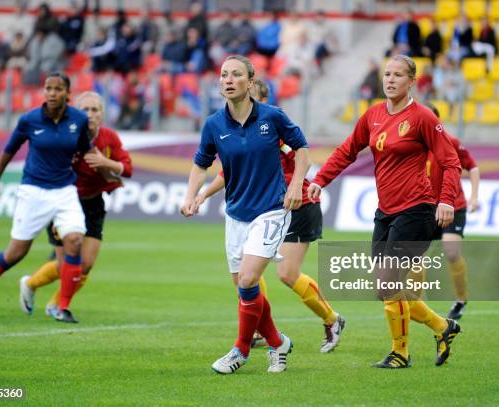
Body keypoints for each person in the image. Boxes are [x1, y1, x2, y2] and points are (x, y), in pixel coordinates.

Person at [308, 55, 462, 369]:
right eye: (387, 74)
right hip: (386, 211)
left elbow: (451, 162)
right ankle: (441, 326)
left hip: (417, 209)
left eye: (397, 75)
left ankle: (400, 353)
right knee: (384, 288)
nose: (390, 80)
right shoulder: (373, 114)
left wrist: (446, 200)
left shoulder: (422, 118)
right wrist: (320, 179)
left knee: (389, 282)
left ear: (412, 81)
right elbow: (348, 150)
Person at [181, 55, 310, 374]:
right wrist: (191, 196)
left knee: (250, 279)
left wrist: (295, 185)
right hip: (236, 213)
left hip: (272, 210)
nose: (228, 80)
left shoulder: (272, 116)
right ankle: (278, 343)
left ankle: (240, 350)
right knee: (245, 287)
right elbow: (201, 163)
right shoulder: (213, 124)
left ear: (250, 82)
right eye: (224, 75)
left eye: (236, 75)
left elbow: (303, 150)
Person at [196, 79, 345, 353]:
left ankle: (332, 319)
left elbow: (300, 155)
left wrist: (296, 185)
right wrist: (204, 194)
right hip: (265, 209)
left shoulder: (274, 127)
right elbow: (229, 171)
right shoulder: (240, 130)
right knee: (246, 274)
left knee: (286, 273)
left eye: (253, 96)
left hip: (295, 206)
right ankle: (264, 332)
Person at [0, 72, 93, 323]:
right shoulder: (29, 120)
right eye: (48, 88)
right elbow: (9, 150)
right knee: (15, 253)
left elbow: (86, 151)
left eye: (57, 89)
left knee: (74, 240)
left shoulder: (79, 119)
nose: (52, 93)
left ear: (67, 94)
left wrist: (105, 167)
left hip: (65, 190)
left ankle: (61, 307)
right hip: (33, 191)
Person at [20, 91, 133, 319]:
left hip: (93, 204)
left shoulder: (109, 137)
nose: (90, 114)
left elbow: (127, 169)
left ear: (102, 114)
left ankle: (54, 304)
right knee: (66, 265)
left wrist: (105, 162)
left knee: (86, 265)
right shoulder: (66, 137)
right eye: (85, 110)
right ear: (75, 112)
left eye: (95, 110)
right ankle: (32, 285)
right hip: (64, 202)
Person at [426, 104, 480, 320]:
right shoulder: (414, 144)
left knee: (451, 251)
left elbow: (472, 167)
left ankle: (460, 298)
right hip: (426, 207)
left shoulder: (452, 143)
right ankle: (415, 302)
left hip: (453, 205)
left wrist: (474, 197)